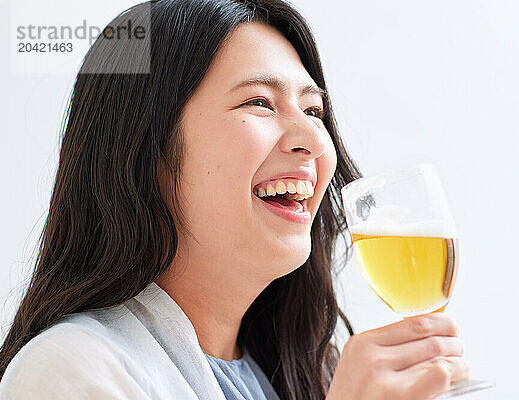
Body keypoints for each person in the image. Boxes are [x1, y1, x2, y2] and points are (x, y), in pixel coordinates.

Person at [0, 0, 469, 399]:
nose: (314, 138)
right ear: (145, 148)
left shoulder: (308, 374)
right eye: (259, 102)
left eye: (313, 110)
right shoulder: (66, 370)